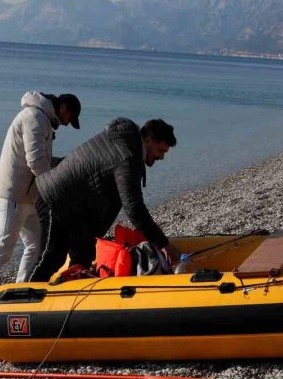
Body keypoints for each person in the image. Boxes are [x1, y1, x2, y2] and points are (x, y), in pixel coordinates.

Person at [28, 118, 177, 283]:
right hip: (55, 199)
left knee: (83, 256)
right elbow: (133, 207)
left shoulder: (128, 143)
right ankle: (23, 298)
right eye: (160, 151)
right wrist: (161, 243)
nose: (161, 157)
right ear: (148, 140)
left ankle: (72, 298)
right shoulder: (127, 157)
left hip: (76, 209)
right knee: (52, 257)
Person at [0, 91, 81, 300]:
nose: (67, 124)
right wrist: (54, 186)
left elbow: (42, 161)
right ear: (63, 108)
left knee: (35, 245)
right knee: (2, 249)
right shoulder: (34, 118)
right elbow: (36, 163)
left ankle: (22, 290)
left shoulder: (43, 119)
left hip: (28, 197)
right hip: (12, 195)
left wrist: (64, 163)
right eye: (69, 118)